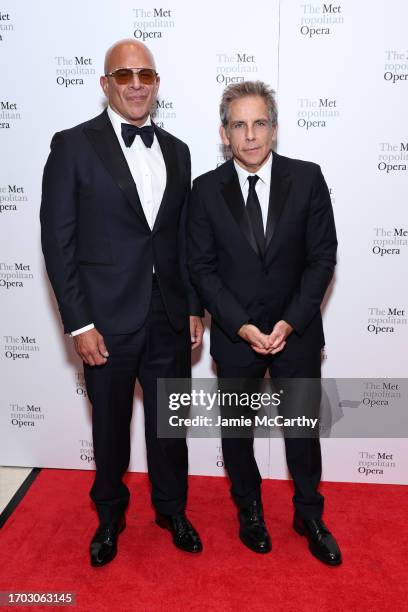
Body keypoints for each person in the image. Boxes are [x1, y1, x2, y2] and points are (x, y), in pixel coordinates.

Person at [40, 39, 204, 567]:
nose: (137, 83)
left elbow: (185, 238)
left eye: (146, 75)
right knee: (109, 427)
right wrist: (78, 323)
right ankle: (109, 518)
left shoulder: (177, 150)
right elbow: (58, 242)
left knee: (169, 425)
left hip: (169, 315)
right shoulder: (73, 145)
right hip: (105, 319)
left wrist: (194, 307)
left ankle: (172, 510)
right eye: (125, 74)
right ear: (106, 83)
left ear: (157, 84)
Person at [188, 81, 342, 565]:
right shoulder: (205, 190)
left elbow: (322, 258)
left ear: (274, 130)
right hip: (237, 340)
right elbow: (202, 268)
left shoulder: (309, 178)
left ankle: (309, 513)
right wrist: (239, 325)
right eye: (239, 125)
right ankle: (249, 509)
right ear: (224, 132)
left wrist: (290, 323)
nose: (250, 136)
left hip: (294, 336)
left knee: (302, 430)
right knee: (238, 431)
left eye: (259, 124)